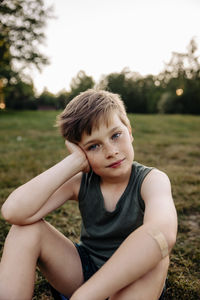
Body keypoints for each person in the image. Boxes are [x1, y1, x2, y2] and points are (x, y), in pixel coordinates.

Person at [0, 89, 177, 300]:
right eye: (93, 146)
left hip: (133, 280)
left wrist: (85, 295)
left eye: (116, 135)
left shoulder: (151, 180)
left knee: (157, 254)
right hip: (86, 271)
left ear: (129, 131)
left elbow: (162, 234)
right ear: (80, 151)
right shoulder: (82, 181)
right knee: (26, 231)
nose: (111, 151)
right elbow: (14, 212)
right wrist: (74, 163)